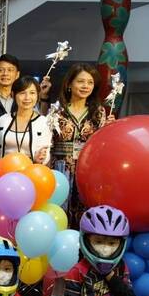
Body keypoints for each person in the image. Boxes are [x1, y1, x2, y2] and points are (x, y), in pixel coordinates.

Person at [50, 63, 111, 228]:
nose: (85, 86)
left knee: (85, 211)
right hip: (59, 168)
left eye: (90, 82)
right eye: (81, 81)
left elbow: (101, 145)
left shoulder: (98, 112)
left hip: (86, 170)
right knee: (59, 211)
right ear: (69, 84)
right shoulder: (57, 111)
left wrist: (109, 129)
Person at [0, 76, 52, 165]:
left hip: (31, 174)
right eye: (22, 93)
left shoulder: (43, 123)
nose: (27, 98)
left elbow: (45, 155)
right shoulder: (2, 120)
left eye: (32, 93)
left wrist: (40, 157)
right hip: (5, 174)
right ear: (13, 95)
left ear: (38, 95)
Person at [0, 54, 53, 122]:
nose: (5, 73)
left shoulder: (24, 99)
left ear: (17, 74)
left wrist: (43, 96)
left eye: (10, 70)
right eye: (1, 70)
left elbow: (38, 120)